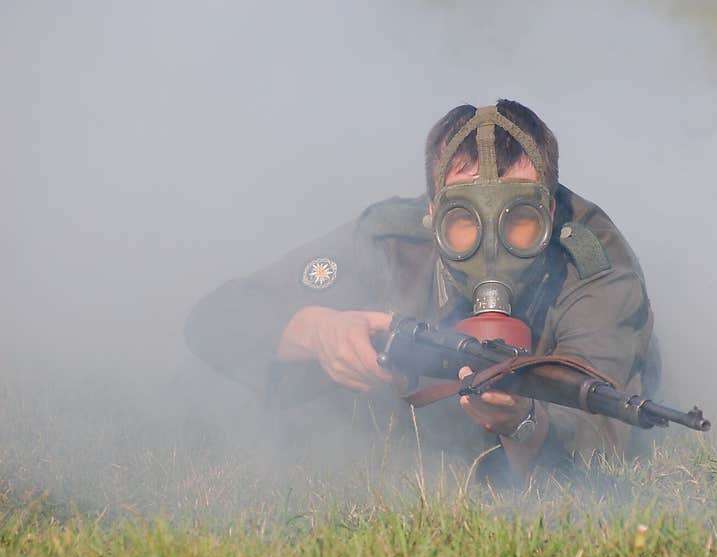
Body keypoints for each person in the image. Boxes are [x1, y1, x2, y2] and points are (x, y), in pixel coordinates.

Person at [185, 99, 659, 485]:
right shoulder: (392, 243)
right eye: (464, 221)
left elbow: (602, 434)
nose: (492, 247)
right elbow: (218, 319)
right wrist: (317, 330)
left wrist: (525, 422)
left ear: (552, 213)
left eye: (520, 220)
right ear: (432, 211)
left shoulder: (593, 266)